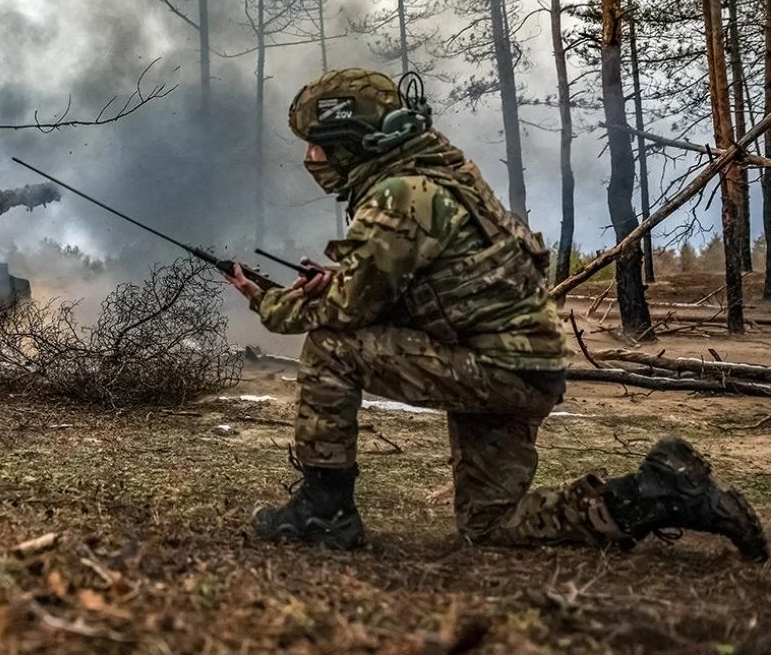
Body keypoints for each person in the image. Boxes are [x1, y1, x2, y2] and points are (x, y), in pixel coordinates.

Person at [224, 67, 767, 561]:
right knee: (491, 524)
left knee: (331, 347)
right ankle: (659, 494)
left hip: (494, 369)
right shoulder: (444, 176)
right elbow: (425, 287)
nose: (310, 159)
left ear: (357, 143)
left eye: (321, 145)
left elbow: (344, 313)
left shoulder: (401, 194)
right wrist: (341, 285)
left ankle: (325, 511)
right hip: (520, 367)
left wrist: (266, 298)